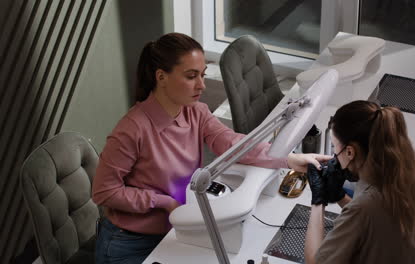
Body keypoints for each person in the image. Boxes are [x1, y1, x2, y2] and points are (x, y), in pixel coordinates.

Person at [92, 32, 325, 264]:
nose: (201, 85)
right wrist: (164, 202)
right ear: (161, 77)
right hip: (130, 243)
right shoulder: (131, 129)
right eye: (191, 76)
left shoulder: (196, 111)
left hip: (178, 228)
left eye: (202, 75)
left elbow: (232, 144)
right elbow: (103, 191)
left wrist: (288, 160)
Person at [305, 100, 415, 264]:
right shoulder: (403, 176)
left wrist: (318, 201)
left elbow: (315, 262)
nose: (334, 154)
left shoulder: (362, 209)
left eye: (334, 147)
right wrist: (339, 196)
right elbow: (373, 222)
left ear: (350, 152)